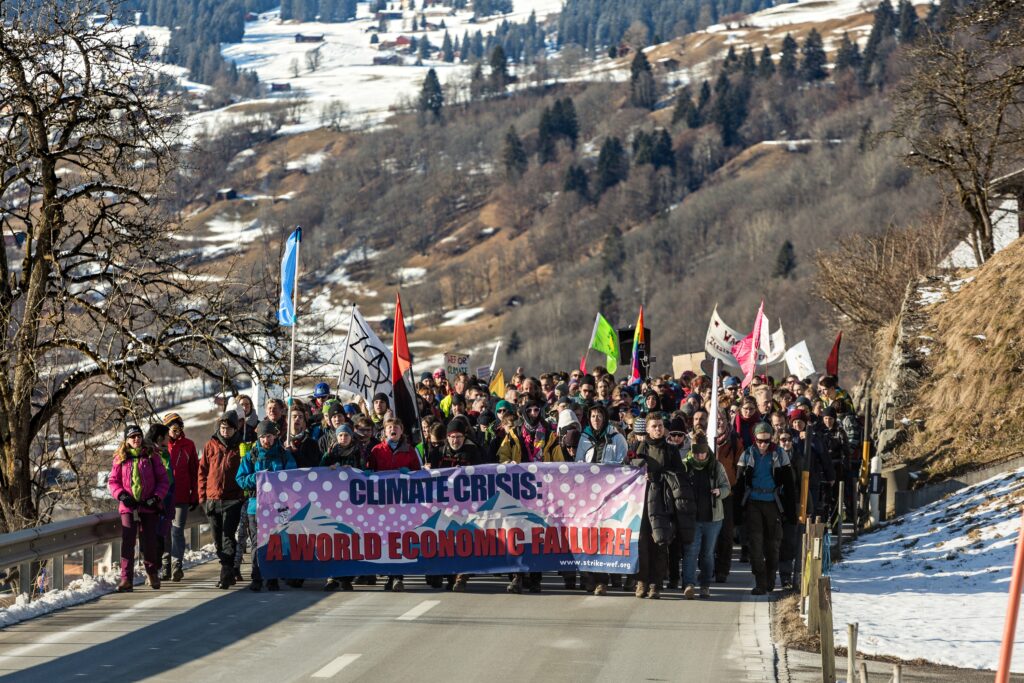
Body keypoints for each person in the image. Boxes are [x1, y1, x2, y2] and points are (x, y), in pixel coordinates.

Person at [235, 419, 296, 592]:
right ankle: (257, 576)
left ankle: (272, 577)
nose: (265, 440)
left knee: (275, 542)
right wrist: (256, 477)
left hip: (278, 506)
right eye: (262, 437)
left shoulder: (284, 455)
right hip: (256, 506)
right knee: (257, 543)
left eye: (268, 436)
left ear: (275, 436)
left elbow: (293, 477)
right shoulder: (251, 456)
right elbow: (240, 479)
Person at [108, 424, 170, 592]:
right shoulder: (120, 458)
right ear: (126, 440)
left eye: (138, 436)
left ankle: (152, 573)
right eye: (132, 437)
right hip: (128, 507)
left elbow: (163, 480)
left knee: (149, 541)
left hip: (148, 505)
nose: (136, 439)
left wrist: (156, 497)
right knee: (128, 542)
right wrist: (121, 495)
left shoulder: (151, 456)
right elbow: (113, 481)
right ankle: (126, 579)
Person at [737, 422, 796, 595]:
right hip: (754, 502)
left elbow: (789, 485)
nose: (763, 445)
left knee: (773, 545)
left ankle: (770, 579)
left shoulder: (779, 454)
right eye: (759, 441)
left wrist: (791, 513)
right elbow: (740, 484)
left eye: (766, 441)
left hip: (773, 503)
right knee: (755, 544)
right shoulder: (748, 454)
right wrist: (738, 512)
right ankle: (760, 582)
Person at [631, 412, 684, 599]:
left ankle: (656, 584)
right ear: (647, 429)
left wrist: (658, 477)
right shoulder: (639, 448)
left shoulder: (671, 450)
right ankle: (642, 581)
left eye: (660, 425)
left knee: (660, 544)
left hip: (663, 502)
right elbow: (628, 468)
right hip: (641, 503)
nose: (658, 429)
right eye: (654, 426)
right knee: (641, 544)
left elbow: (679, 475)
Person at [366, 418, 421, 592]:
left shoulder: (410, 451)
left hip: (401, 503)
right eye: (389, 427)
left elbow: (419, 475)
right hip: (381, 502)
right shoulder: (376, 450)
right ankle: (389, 574)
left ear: (401, 431)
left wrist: (410, 474)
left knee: (398, 538)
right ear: (384, 431)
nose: (392, 430)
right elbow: (368, 471)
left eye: (396, 427)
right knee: (384, 538)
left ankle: (397, 576)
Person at [681, 434, 731, 599]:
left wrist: (719, 492)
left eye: (702, 453)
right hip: (692, 517)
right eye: (696, 453)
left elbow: (726, 487)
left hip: (713, 518)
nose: (700, 456)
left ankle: (705, 584)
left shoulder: (716, 466)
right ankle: (689, 584)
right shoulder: (686, 466)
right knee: (690, 551)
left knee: (707, 553)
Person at [199, 411, 245, 589]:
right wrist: (202, 496)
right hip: (212, 498)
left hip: (233, 499)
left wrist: (242, 495)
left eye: (229, 428)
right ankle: (231, 568)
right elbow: (202, 471)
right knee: (217, 539)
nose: (225, 431)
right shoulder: (211, 445)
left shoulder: (240, 447)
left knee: (227, 536)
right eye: (223, 428)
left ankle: (225, 573)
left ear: (235, 429)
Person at [164, 412, 199, 582]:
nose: (176, 432)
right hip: (163, 496)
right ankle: (165, 564)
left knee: (177, 530)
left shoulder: (188, 445)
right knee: (164, 531)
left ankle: (177, 564)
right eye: (173, 428)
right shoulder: (160, 447)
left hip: (182, 495)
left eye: (179, 428)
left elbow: (195, 470)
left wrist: (195, 493)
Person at [713, 410, 744, 583]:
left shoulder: (734, 441)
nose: (720, 422)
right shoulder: (704, 439)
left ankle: (722, 570)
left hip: (727, 495)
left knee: (725, 534)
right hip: (706, 495)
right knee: (708, 535)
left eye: (723, 419)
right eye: (716, 419)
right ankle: (707, 568)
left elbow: (740, 467)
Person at [145, 423, 175, 581]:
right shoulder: (149, 454)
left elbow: (170, 477)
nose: (169, 438)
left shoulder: (165, 453)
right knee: (152, 538)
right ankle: (152, 570)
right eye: (167, 436)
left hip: (167, 499)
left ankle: (155, 569)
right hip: (154, 501)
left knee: (161, 538)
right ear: (159, 437)